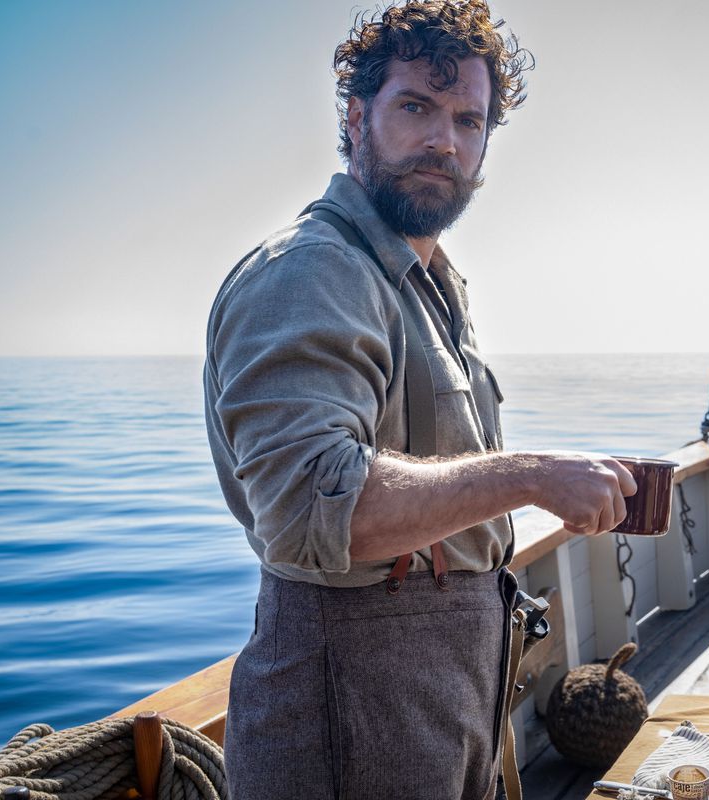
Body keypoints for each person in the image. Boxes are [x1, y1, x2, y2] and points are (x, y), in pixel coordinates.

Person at [202, 2, 636, 798]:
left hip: (444, 690)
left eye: (468, 120)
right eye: (416, 108)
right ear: (356, 116)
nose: (444, 139)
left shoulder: (428, 283)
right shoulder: (313, 271)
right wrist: (534, 475)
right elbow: (311, 507)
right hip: (353, 704)